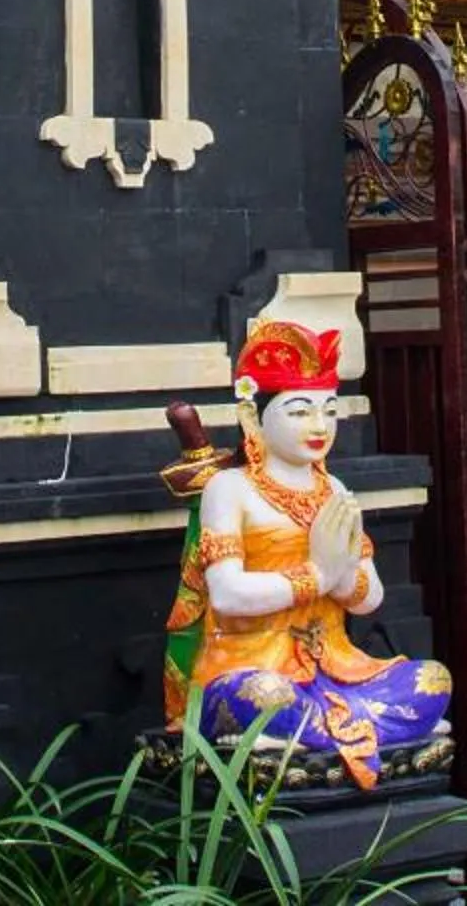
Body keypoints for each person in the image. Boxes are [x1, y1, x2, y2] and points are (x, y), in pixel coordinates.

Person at [159, 321, 451, 789]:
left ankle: (320, 733)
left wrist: (339, 576)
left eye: (329, 411)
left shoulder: (332, 488)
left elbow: (369, 599)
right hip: (249, 667)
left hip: (335, 668)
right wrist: (315, 575)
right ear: (253, 419)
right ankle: (353, 729)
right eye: (300, 411)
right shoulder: (230, 489)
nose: (319, 426)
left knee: (431, 682)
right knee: (266, 696)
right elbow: (229, 595)